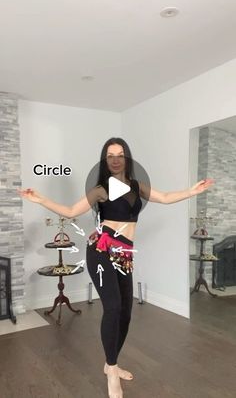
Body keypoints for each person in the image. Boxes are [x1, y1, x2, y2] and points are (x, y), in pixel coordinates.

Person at [18, 137, 214, 398]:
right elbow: (70, 210)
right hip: (100, 249)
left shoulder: (137, 186)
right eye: (110, 154)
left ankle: (112, 361)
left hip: (124, 255)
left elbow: (165, 197)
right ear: (105, 159)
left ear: (126, 158)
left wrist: (192, 191)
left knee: (125, 314)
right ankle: (112, 370)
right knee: (113, 307)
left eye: (120, 154)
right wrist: (41, 199)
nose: (115, 158)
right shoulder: (101, 189)